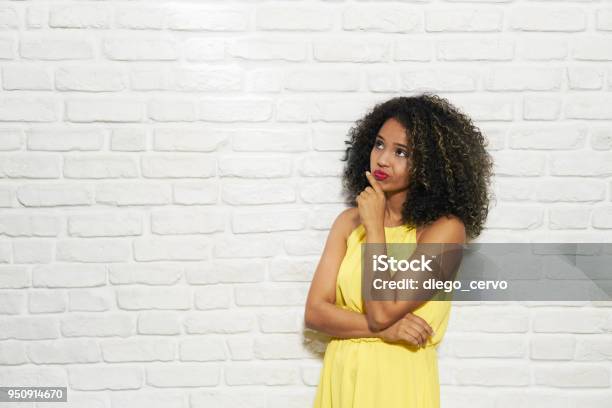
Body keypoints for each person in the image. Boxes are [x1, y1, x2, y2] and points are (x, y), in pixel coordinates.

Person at [304, 93, 494, 408]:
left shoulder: (445, 230)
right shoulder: (348, 223)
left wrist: (375, 228)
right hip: (341, 375)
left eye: (401, 152)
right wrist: (384, 332)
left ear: (430, 165)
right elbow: (315, 313)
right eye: (379, 144)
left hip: (397, 381)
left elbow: (381, 309)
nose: (382, 159)